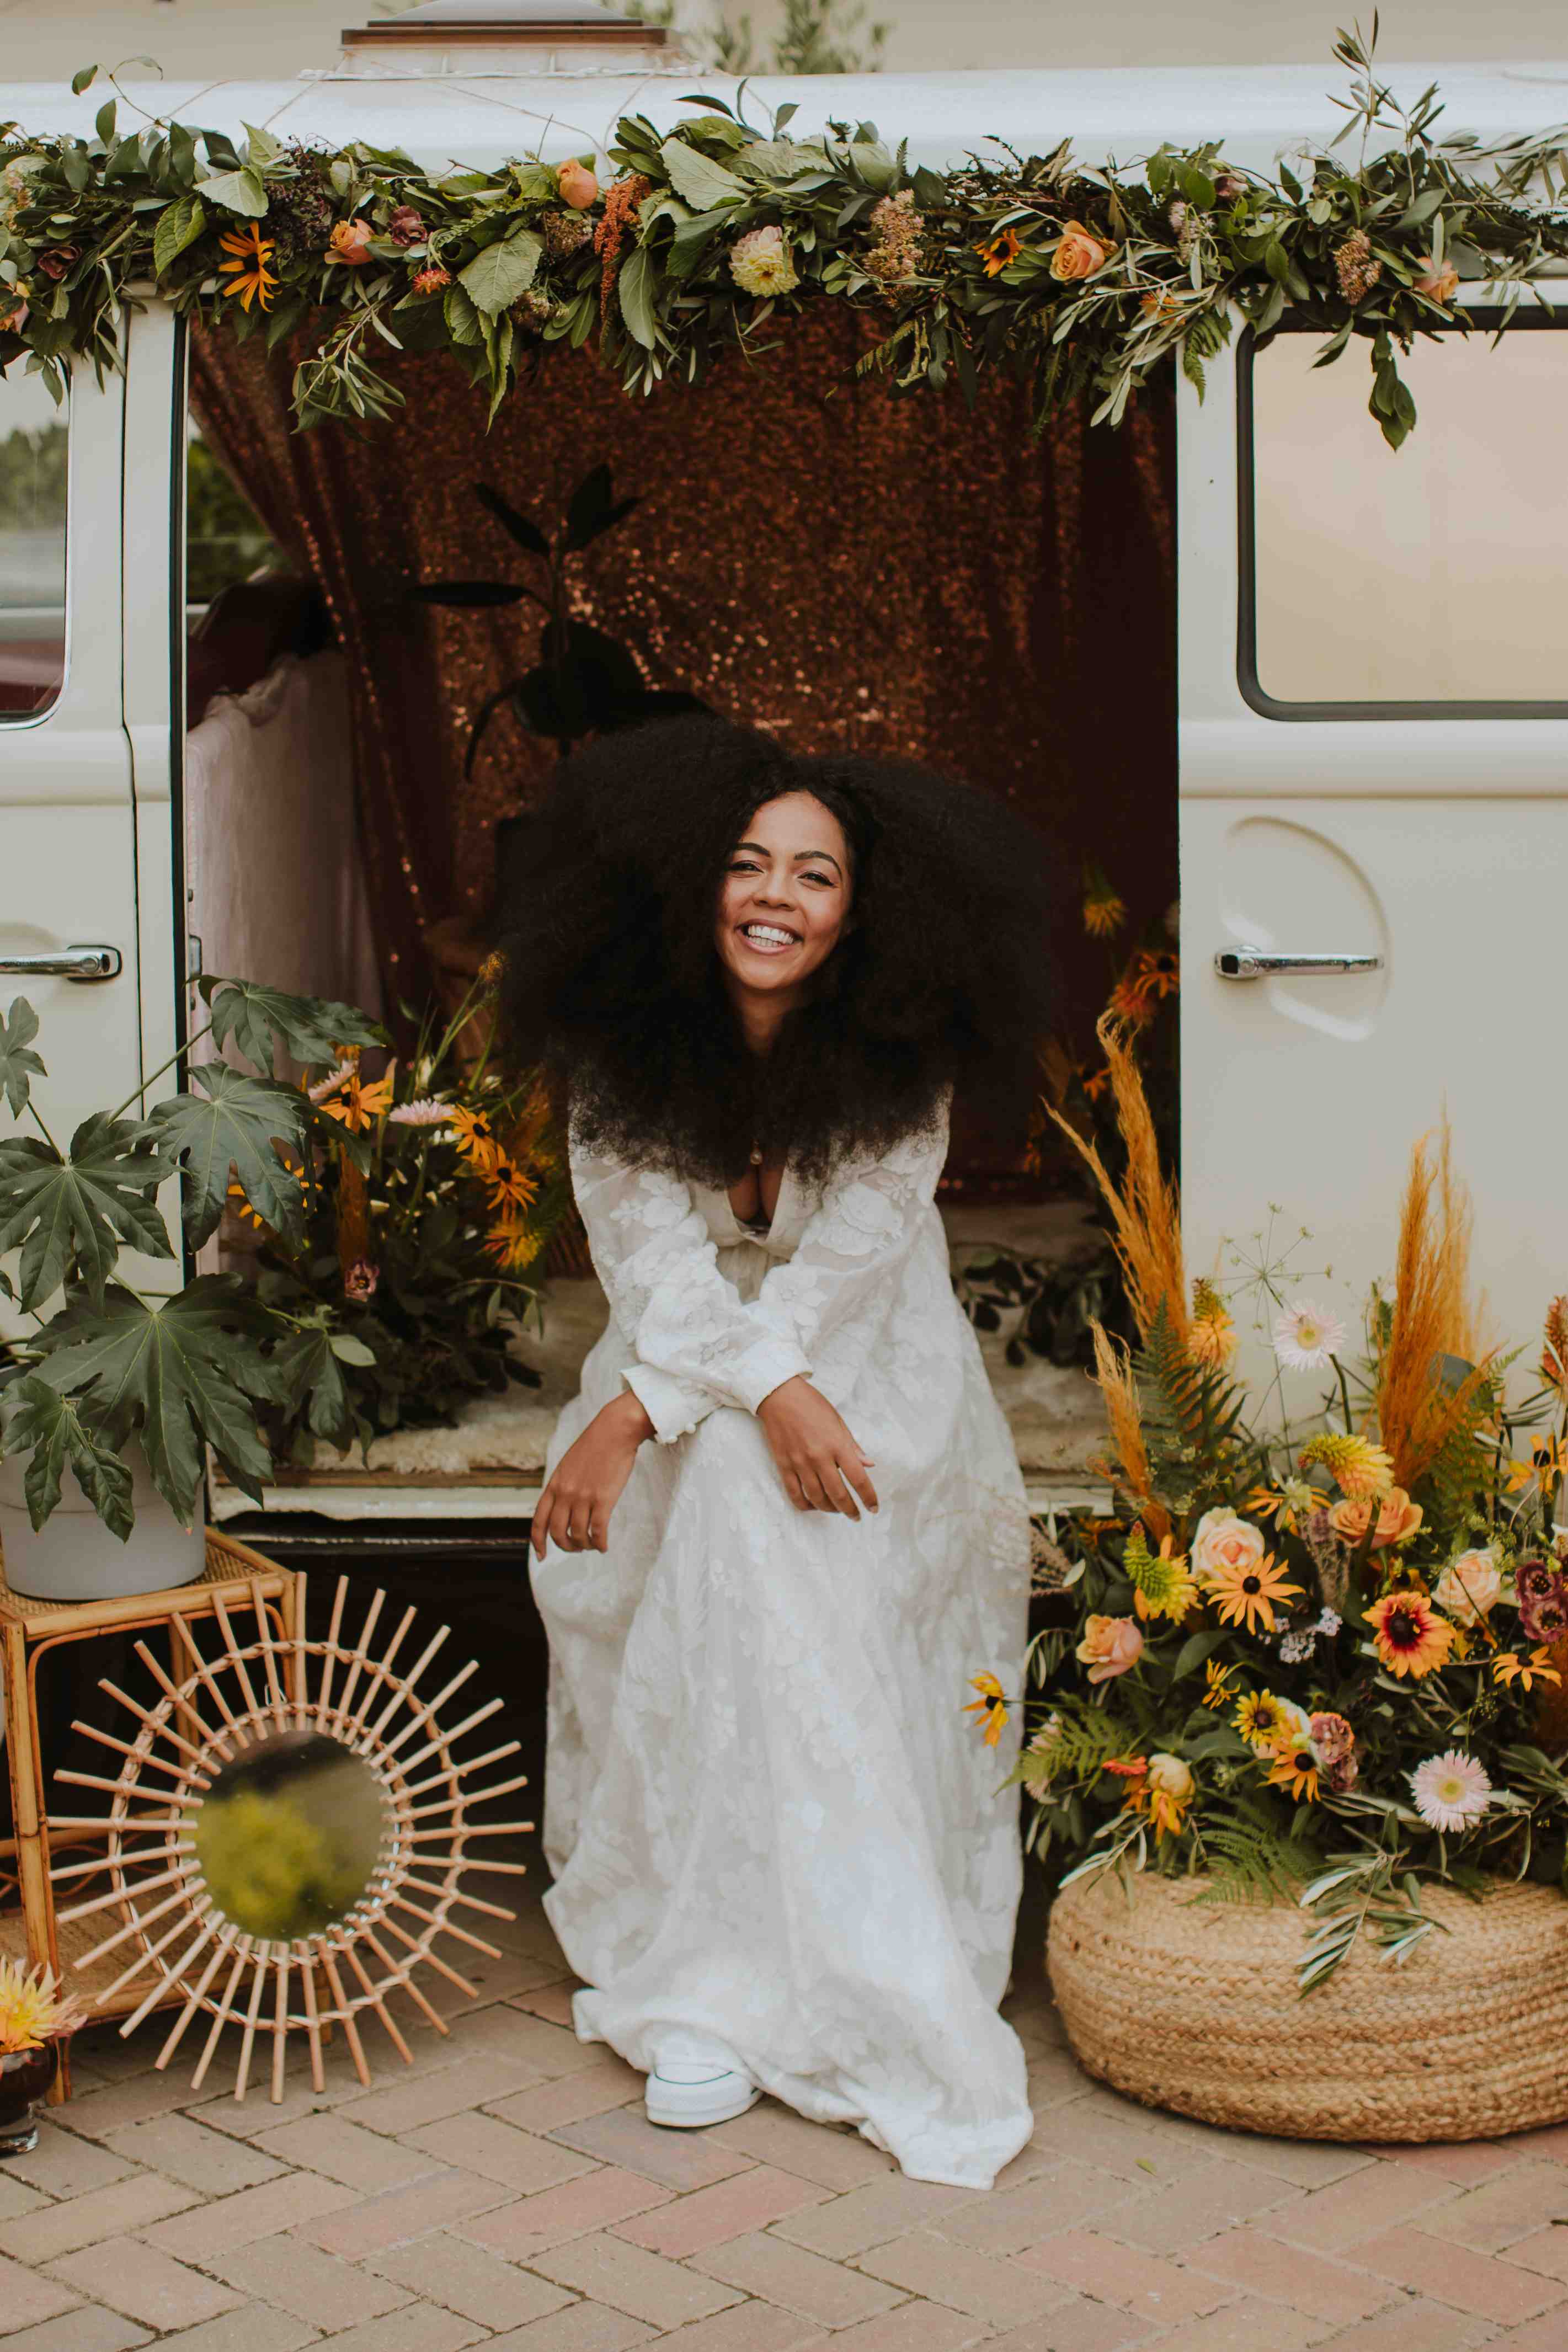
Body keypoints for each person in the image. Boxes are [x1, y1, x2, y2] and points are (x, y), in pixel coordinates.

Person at [497, 713, 1055, 2190]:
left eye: (815, 875)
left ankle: (778, 1974)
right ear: (695, 884)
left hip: (872, 1372)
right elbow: (652, 1267)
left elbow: (842, 1279)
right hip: (685, 1357)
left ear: (860, 915)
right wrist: (658, 1406)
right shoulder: (621, 1057)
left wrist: (657, 1414)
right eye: (747, 864)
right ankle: (706, 1957)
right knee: (709, 1492)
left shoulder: (899, 1065)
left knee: (757, 1492)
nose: (775, 897)